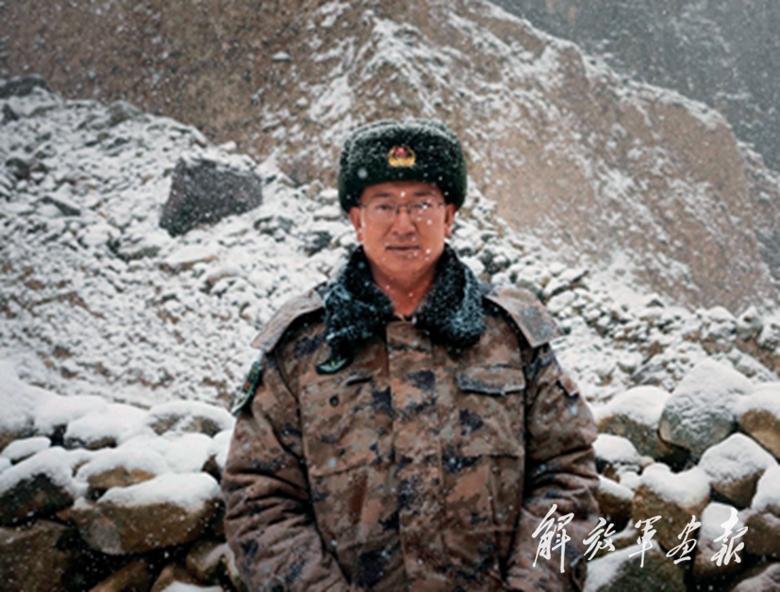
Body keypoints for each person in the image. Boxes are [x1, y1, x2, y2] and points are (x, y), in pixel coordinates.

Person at [222, 119, 600, 591]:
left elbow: (566, 475)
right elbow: (259, 498)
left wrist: (533, 586)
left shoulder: (509, 335)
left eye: (422, 203)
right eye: (384, 205)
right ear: (357, 219)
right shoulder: (304, 346)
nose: (403, 225)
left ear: (449, 215)